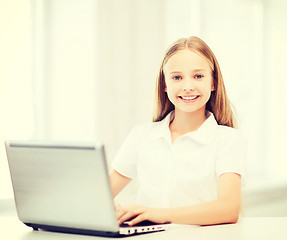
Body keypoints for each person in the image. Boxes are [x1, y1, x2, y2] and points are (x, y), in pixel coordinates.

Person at [109, 36, 247, 226]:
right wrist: (110, 207)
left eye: (198, 76)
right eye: (177, 77)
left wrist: (160, 214)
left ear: (213, 82)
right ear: (165, 85)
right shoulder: (141, 135)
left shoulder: (228, 140)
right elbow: (101, 194)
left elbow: (228, 209)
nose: (188, 87)